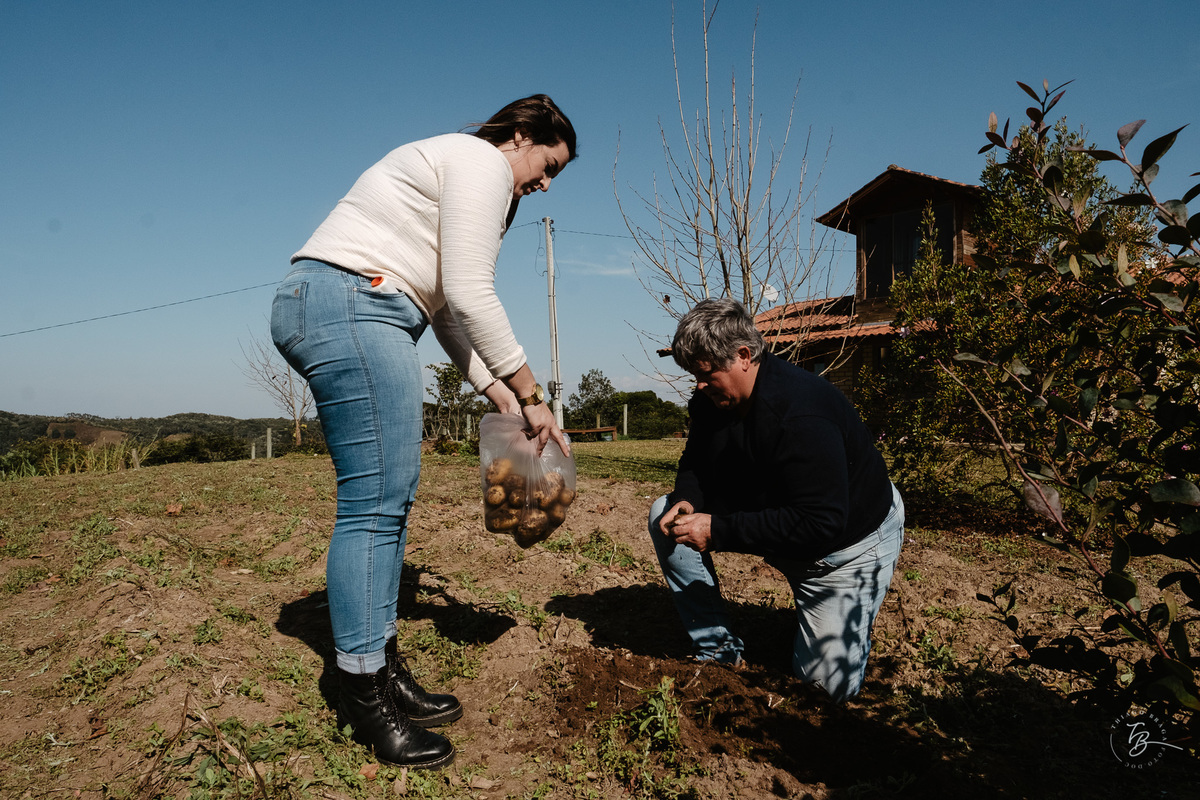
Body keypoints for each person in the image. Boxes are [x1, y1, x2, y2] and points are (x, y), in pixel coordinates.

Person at [270, 94, 576, 769]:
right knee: (374, 505)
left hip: (362, 302)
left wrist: (497, 394)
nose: (547, 183)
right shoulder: (478, 162)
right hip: (353, 301)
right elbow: (470, 292)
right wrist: (533, 392)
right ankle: (362, 693)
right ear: (521, 135)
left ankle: (380, 666)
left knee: (392, 499)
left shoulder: (457, 172)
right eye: (549, 163)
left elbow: (443, 311)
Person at [648, 298, 904, 702]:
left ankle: (830, 613)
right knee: (663, 516)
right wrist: (686, 499)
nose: (697, 385)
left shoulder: (801, 414)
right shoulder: (714, 401)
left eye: (705, 373)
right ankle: (718, 650)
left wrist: (718, 530)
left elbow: (821, 522)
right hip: (787, 517)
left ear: (744, 356)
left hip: (846, 547)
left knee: (821, 694)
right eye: (692, 375)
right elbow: (696, 460)